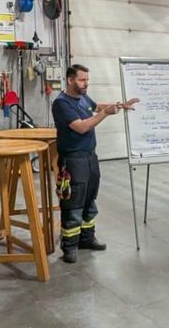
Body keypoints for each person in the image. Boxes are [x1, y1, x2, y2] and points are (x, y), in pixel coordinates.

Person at [52, 64, 136, 263]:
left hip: (90, 157)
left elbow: (96, 106)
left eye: (87, 80)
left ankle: (86, 239)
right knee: (73, 203)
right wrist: (105, 113)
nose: (86, 83)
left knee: (90, 200)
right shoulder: (62, 104)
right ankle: (69, 246)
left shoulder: (83, 98)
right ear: (70, 80)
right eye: (82, 80)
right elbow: (81, 127)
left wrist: (120, 105)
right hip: (73, 160)